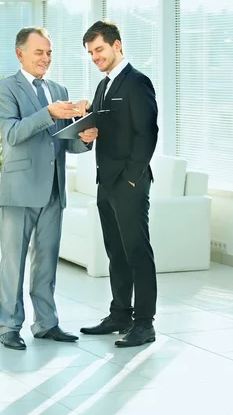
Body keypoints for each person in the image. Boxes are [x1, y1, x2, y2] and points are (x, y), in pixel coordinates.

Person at [0, 26, 98, 350]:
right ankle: (9, 326)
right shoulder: (4, 89)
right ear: (20, 53)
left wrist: (85, 138)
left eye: (49, 52)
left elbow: (65, 142)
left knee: (47, 260)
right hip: (20, 189)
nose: (46, 58)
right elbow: (12, 134)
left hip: (53, 188)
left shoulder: (58, 88)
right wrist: (47, 113)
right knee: (14, 261)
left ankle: (46, 323)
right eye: (39, 52)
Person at [78, 21, 159, 347]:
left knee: (138, 253)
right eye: (91, 52)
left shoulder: (137, 82)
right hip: (106, 183)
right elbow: (104, 128)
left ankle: (144, 324)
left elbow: (148, 133)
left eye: (99, 49)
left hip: (128, 183)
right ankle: (120, 314)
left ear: (117, 45)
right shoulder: (103, 85)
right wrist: (86, 129)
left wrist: (129, 178)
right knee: (116, 253)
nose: (95, 57)